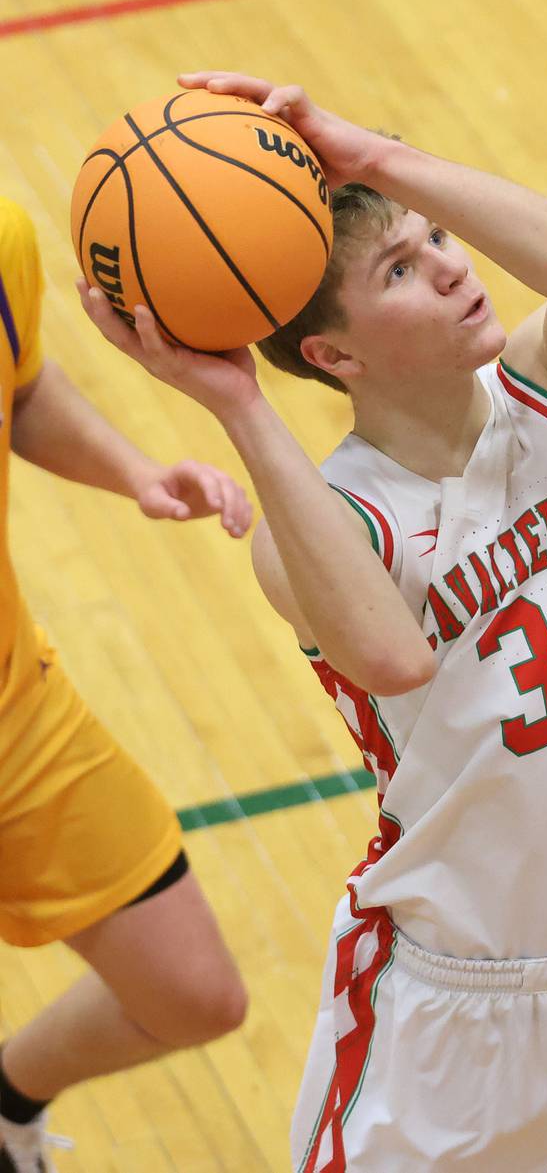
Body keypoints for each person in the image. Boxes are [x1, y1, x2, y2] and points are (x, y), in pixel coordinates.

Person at [81, 72, 547, 1172]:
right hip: (454, 1026)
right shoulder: (332, 519)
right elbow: (391, 656)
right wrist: (236, 401)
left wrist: (381, 164)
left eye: (440, 238)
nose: (451, 264)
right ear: (334, 358)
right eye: (402, 267)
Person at [0, 196, 251, 1173]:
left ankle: (6, 1099)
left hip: (15, 715)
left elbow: (19, 390)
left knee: (192, 992)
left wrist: (134, 471)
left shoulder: (4, 241)